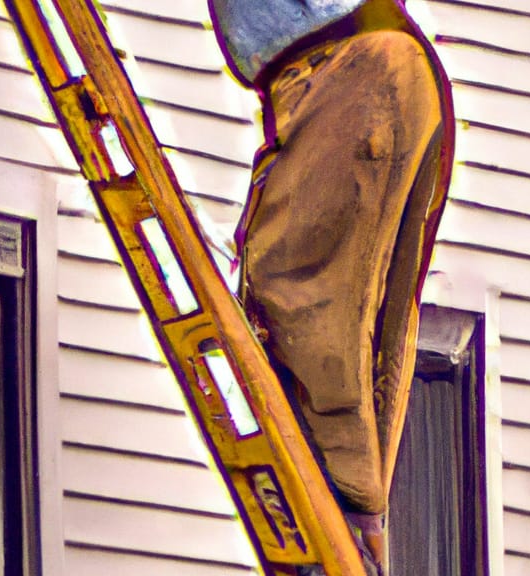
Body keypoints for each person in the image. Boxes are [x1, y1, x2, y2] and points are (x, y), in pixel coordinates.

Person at [208, 1, 454, 572]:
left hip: (343, 68)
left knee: (295, 299)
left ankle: (333, 528)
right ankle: (353, 537)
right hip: (384, 69)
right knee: (368, 329)